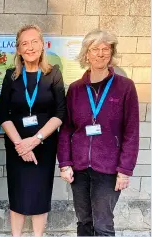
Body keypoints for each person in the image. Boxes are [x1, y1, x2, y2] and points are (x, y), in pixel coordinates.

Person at [57, 29, 139, 236]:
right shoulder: (75, 89)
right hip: (79, 168)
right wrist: (65, 163)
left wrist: (125, 170)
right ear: (86, 54)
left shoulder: (125, 87)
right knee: (84, 221)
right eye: (95, 49)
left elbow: (131, 132)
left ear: (111, 53)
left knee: (103, 225)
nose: (101, 54)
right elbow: (66, 129)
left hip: (109, 169)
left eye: (106, 49)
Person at [0, 25, 66, 236]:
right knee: (17, 194)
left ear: (43, 45)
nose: (30, 47)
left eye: (34, 42)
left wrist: (34, 140)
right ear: (18, 49)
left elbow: (60, 113)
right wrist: (21, 145)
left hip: (44, 146)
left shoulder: (53, 74)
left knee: (40, 194)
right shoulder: (12, 76)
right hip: (17, 147)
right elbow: (3, 115)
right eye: (24, 44)